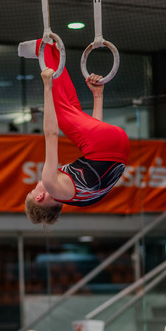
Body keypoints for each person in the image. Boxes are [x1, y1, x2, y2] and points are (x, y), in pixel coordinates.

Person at [19, 39, 130, 225]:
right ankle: (42, 48)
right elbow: (51, 134)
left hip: (120, 145)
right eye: (32, 191)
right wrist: (47, 87)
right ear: (39, 197)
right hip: (104, 146)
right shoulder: (51, 184)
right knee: (60, 110)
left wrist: (98, 96)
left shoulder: (83, 199)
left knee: (71, 109)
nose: (36, 185)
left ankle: (53, 51)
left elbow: (98, 136)